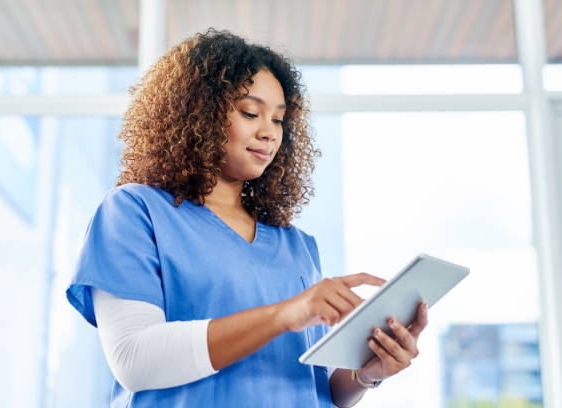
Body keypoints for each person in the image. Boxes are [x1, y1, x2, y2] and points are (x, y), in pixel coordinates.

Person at [66, 28, 428, 408]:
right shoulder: (134, 212)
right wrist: (285, 314)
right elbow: (134, 359)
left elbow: (314, 384)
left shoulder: (296, 245)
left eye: (279, 119)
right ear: (198, 113)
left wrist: (366, 372)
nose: (269, 133)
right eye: (251, 112)